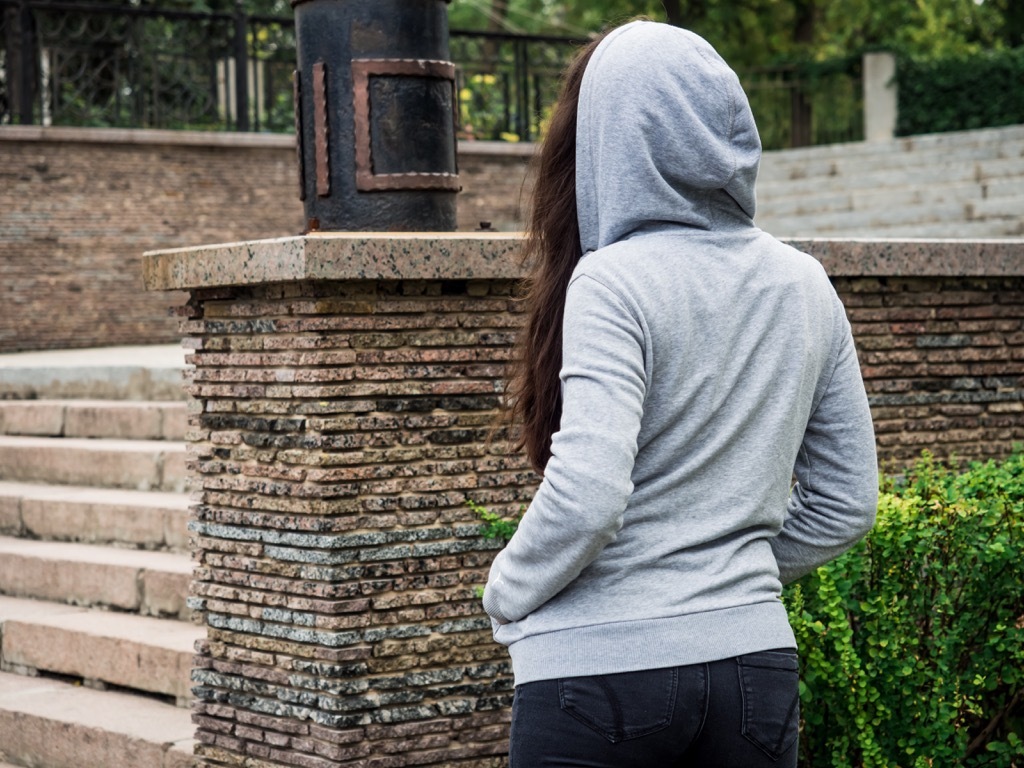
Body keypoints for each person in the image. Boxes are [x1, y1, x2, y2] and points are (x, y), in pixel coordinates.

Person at [482, 20, 879, 768]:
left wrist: (505, 591)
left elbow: (589, 494)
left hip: (594, 674)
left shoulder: (612, 280)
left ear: (609, 140)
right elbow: (846, 505)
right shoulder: (806, 283)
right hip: (754, 668)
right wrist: (731, 580)